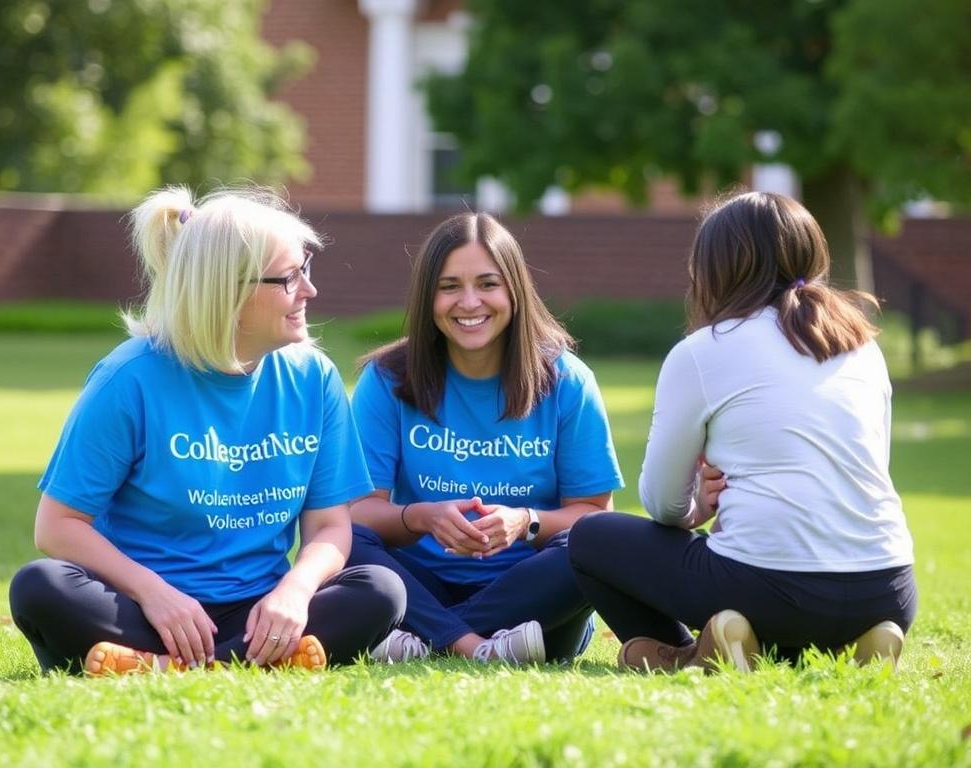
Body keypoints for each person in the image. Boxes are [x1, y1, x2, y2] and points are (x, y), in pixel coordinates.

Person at [9, 186, 406, 675]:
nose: (309, 290)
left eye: (307, 270)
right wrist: (154, 594)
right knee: (40, 587)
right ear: (229, 292)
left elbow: (328, 527)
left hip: (258, 611)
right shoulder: (128, 379)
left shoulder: (314, 378)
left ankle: (151, 666)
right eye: (289, 278)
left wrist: (295, 593)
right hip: (144, 606)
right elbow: (57, 526)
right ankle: (254, 663)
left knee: (382, 591)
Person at [568, 191, 917, 673]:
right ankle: (865, 636)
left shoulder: (702, 352)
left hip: (767, 589)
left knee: (591, 536)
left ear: (715, 270)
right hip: (889, 587)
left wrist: (698, 505)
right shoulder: (862, 346)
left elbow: (662, 502)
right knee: (793, 604)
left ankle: (694, 650)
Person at [346, 212, 624, 664]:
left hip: (530, 596)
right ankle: (477, 648)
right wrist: (422, 517)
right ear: (427, 297)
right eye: (450, 286)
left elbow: (593, 517)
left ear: (514, 290)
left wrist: (525, 521)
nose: (469, 302)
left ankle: (428, 639)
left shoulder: (567, 381)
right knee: (343, 535)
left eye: (488, 284)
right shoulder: (387, 379)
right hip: (422, 583)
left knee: (593, 547)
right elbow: (357, 510)